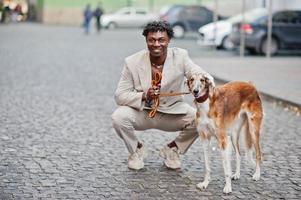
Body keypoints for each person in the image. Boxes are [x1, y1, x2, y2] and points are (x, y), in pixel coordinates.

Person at [111, 21, 213, 170]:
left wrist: (206, 81)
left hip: (172, 111)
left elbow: (196, 72)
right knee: (118, 118)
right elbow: (120, 95)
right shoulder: (132, 62)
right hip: (143, 112)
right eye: (152, 40)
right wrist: (144, 96)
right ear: (146, 40)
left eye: (161, 40)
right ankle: (136, 149)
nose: (156, 44)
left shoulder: (181, 56)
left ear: (168, 41)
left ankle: (172, 149)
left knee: (202, 120)